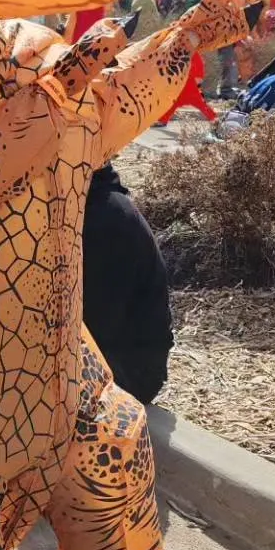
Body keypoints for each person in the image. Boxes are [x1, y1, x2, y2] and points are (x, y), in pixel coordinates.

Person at [81, 164, 175, 404]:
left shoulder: (102, 216)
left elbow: (94, 322)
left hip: (130, 368)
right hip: (110, 351)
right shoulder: (90, 206)